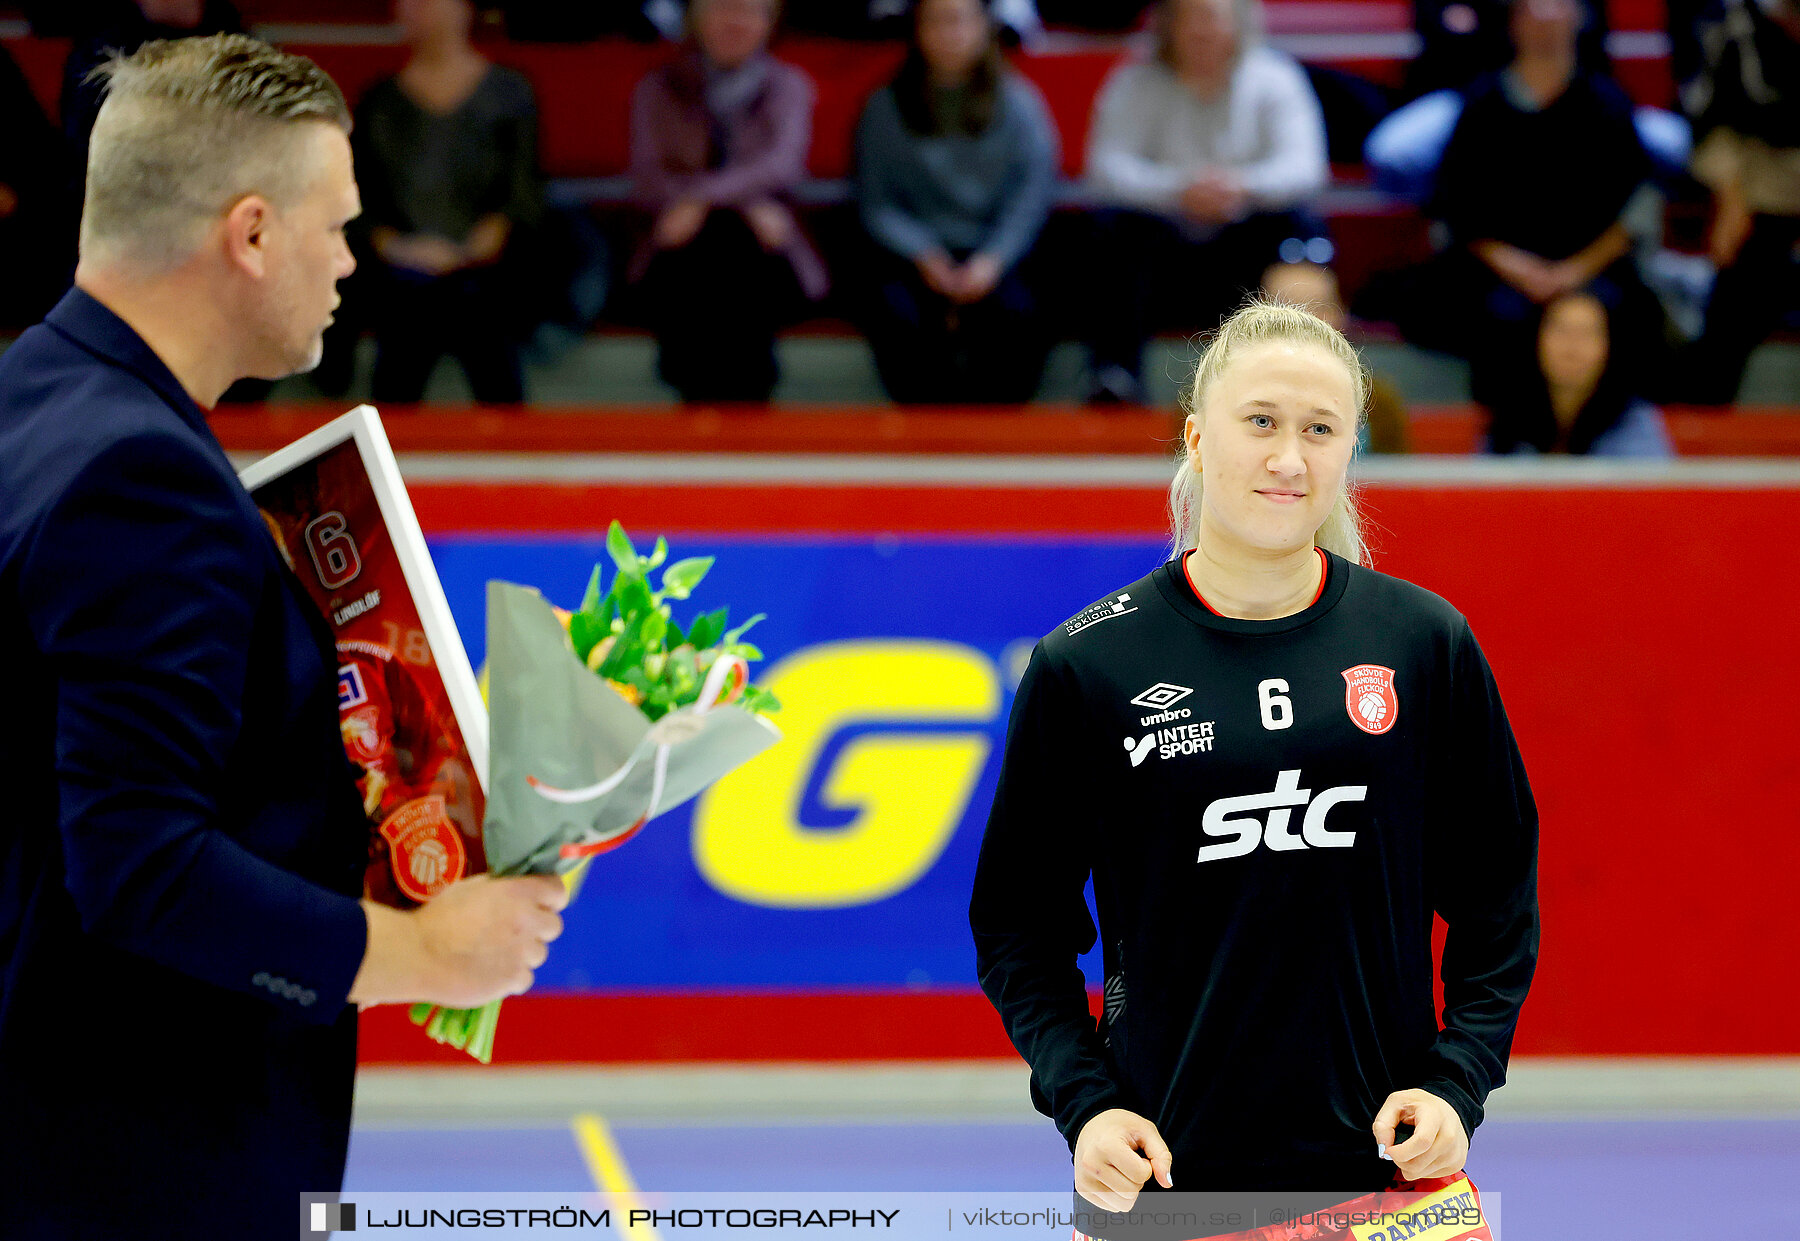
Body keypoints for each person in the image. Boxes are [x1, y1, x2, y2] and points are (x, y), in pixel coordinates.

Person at [0, 36, 568, 1240]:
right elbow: (141, 865)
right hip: (126, 1162)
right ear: (252, 234)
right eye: (339, 225)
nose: (351, 262)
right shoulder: (141, 478)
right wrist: (419, 951)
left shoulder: (34, 396)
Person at [970, 301, 1538, 1215]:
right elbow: (1017, 926)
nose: (1289, 458)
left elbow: (1499, 897)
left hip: (1390, 1185)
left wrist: (1455, 1081)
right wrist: (1090, 1107)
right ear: (1197, 437)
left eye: (1321, 430)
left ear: (1352, 450)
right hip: (1166, 1187)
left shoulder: (1425, 642)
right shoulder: (1088, 664)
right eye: (1262, 422)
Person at [1377, 0, 1662, 407]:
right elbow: (1458, 210)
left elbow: (1635, 209)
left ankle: (1602, 437)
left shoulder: (1608, 104)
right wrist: (1520, 269)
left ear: (1577, 20)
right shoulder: (1482, 105)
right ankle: (1504, 438)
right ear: (1513, 23)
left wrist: (1572, 272)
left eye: (1555, 14)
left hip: (1589, 268)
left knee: (1613, 315)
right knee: (1497, 316)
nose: (1545, 26)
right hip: (1499, 270)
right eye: (1533, 14)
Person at [1080, 0, 1330, 404]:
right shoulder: (1134, 81)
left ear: (1238, 23)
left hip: (1247, 239)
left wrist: (1243, 187)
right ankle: (1115, 377)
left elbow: (1305, 168)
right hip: (1163, 247)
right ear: (1168, 26)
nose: (1202, 31)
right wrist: (1177, 189)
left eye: (1212, 17)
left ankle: (1299, 381)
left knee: (1301, 231)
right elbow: (1106, 169)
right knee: (1110, 230)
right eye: (1189, 18)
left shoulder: (1276, 78)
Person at [854, 0, 1060, 404]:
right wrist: (923, 254)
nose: (949, 34)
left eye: (960, 21)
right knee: (895, 311)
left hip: (997, 252)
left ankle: (997, 434)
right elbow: (876, 201)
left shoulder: (1020, 105)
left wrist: (992, 260)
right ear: (917, 30)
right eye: (936, 22)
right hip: (915, 256)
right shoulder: (884, 107)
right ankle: (924, 435)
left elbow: (1032, 195)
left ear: (985, 28)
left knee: (1022, 310)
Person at [627, 0, 825, 403]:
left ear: (770, 22)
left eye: (749, 11)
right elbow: (648, 176)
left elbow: (781, 166)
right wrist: (736, 202)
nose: (735, 22)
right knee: (711, 244)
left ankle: (731, 407)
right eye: (722, 8)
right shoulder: (657, 86)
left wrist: (702, 198)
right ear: (696, 18)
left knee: (734, 242)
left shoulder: (788, 86)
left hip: (769, 251)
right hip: (677, 248)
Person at [350, 0, 543, 404]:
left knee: (475, 304)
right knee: (411, 305)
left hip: (485, 269)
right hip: (397, 271)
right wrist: (402, 248)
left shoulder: (510, 94)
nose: (413, 9)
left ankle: (509, 442)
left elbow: (520, 199)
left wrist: (466, 251)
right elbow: (360, 208)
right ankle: (386, 445)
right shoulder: (378, 103)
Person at [1676, 0, 1800, 405]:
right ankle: (1699, 430)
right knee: (1731, 315)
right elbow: (1708, 115)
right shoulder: (1731, 20)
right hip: (1756, 191)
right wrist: (1730, 197)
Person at [1487, 289, 1675, 455]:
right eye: (1562, 330)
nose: (1572, 345)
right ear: (1536, 339)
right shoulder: (1507, 416)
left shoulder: (1634, 422)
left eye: (1586, 333)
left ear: (1608, 346)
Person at [1261, 261, 1410, 453]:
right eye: (1288, 308)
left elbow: (1397, 478)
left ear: (1342, 314)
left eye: (1319, 308)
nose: (1306, 321)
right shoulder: (1228, 392)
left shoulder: (1377, 401)